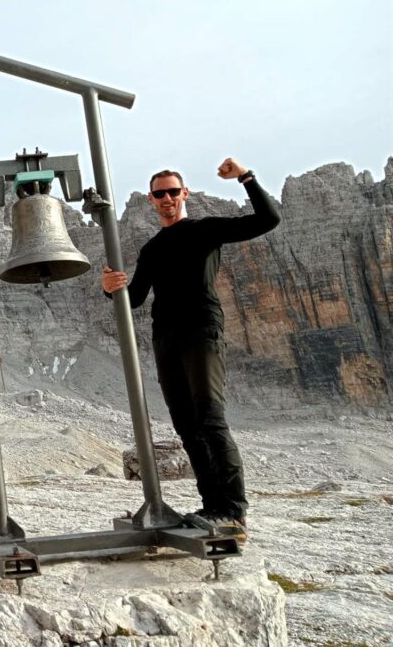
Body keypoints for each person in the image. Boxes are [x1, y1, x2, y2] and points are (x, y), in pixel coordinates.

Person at [102, 158, 281, 536]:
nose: (166, 198)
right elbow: (134, 299)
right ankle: (212, 506)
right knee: (186, 426)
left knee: (210, 419)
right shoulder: (151, 249)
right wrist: (111, 288)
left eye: (172, 191)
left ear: (184, 194)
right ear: (151, 200)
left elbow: (268, 220)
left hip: (201, 330)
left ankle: (233, 510)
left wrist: (246, 177)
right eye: (159, 193)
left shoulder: (205, 230)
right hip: (165, 337)